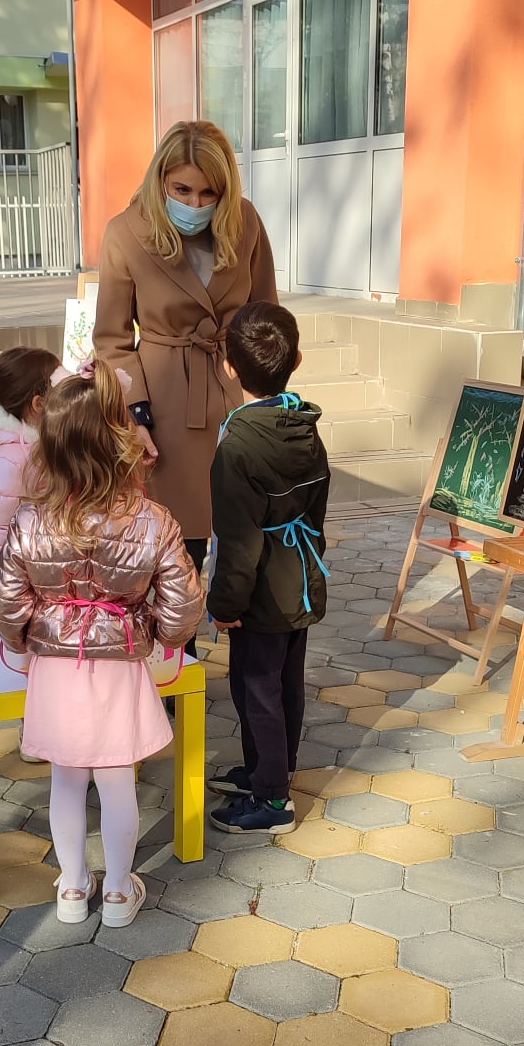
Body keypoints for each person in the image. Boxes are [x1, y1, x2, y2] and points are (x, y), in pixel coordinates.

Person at [0, 361, 202, 928]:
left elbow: (5, 601)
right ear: (119, 441)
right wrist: (158, 636)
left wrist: (27, 637)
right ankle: (120, 891)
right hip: (120, 662)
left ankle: (73, 887)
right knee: (117, 779)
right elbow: (183, 604)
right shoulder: (153, 520)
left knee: (65, 778)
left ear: (50, 445)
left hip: (56, 668)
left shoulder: (30, 521)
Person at [93, 119, 279, 584]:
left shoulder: (245, 222)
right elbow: (112, 339)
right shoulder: (126, 233)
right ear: (161, 179)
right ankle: (178, 628)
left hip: (235, 391)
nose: (195, 204)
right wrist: (134, 417)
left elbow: (266, 314)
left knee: (244, 533)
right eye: (183, 190)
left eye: (208, 192)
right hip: (164, 403)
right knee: (178, 542)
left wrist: (268, 394)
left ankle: (234, 622)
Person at [207, 302, 330, 836]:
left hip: (257, 594)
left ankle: (274, 800)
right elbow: (317, 513)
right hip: (297, 580)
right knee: (285, 686)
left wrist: (224, 605)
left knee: (256, 691)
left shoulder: (236, 446)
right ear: (296, 360)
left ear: (229, 367)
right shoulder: (306, 427)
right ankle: (268, 769)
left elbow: (237, 542)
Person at [0, 346, 59, 582]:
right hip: (25, 586)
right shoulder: (7, 460)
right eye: (60, 387)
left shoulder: (36, 444)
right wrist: (5, 594)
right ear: (39, 403)